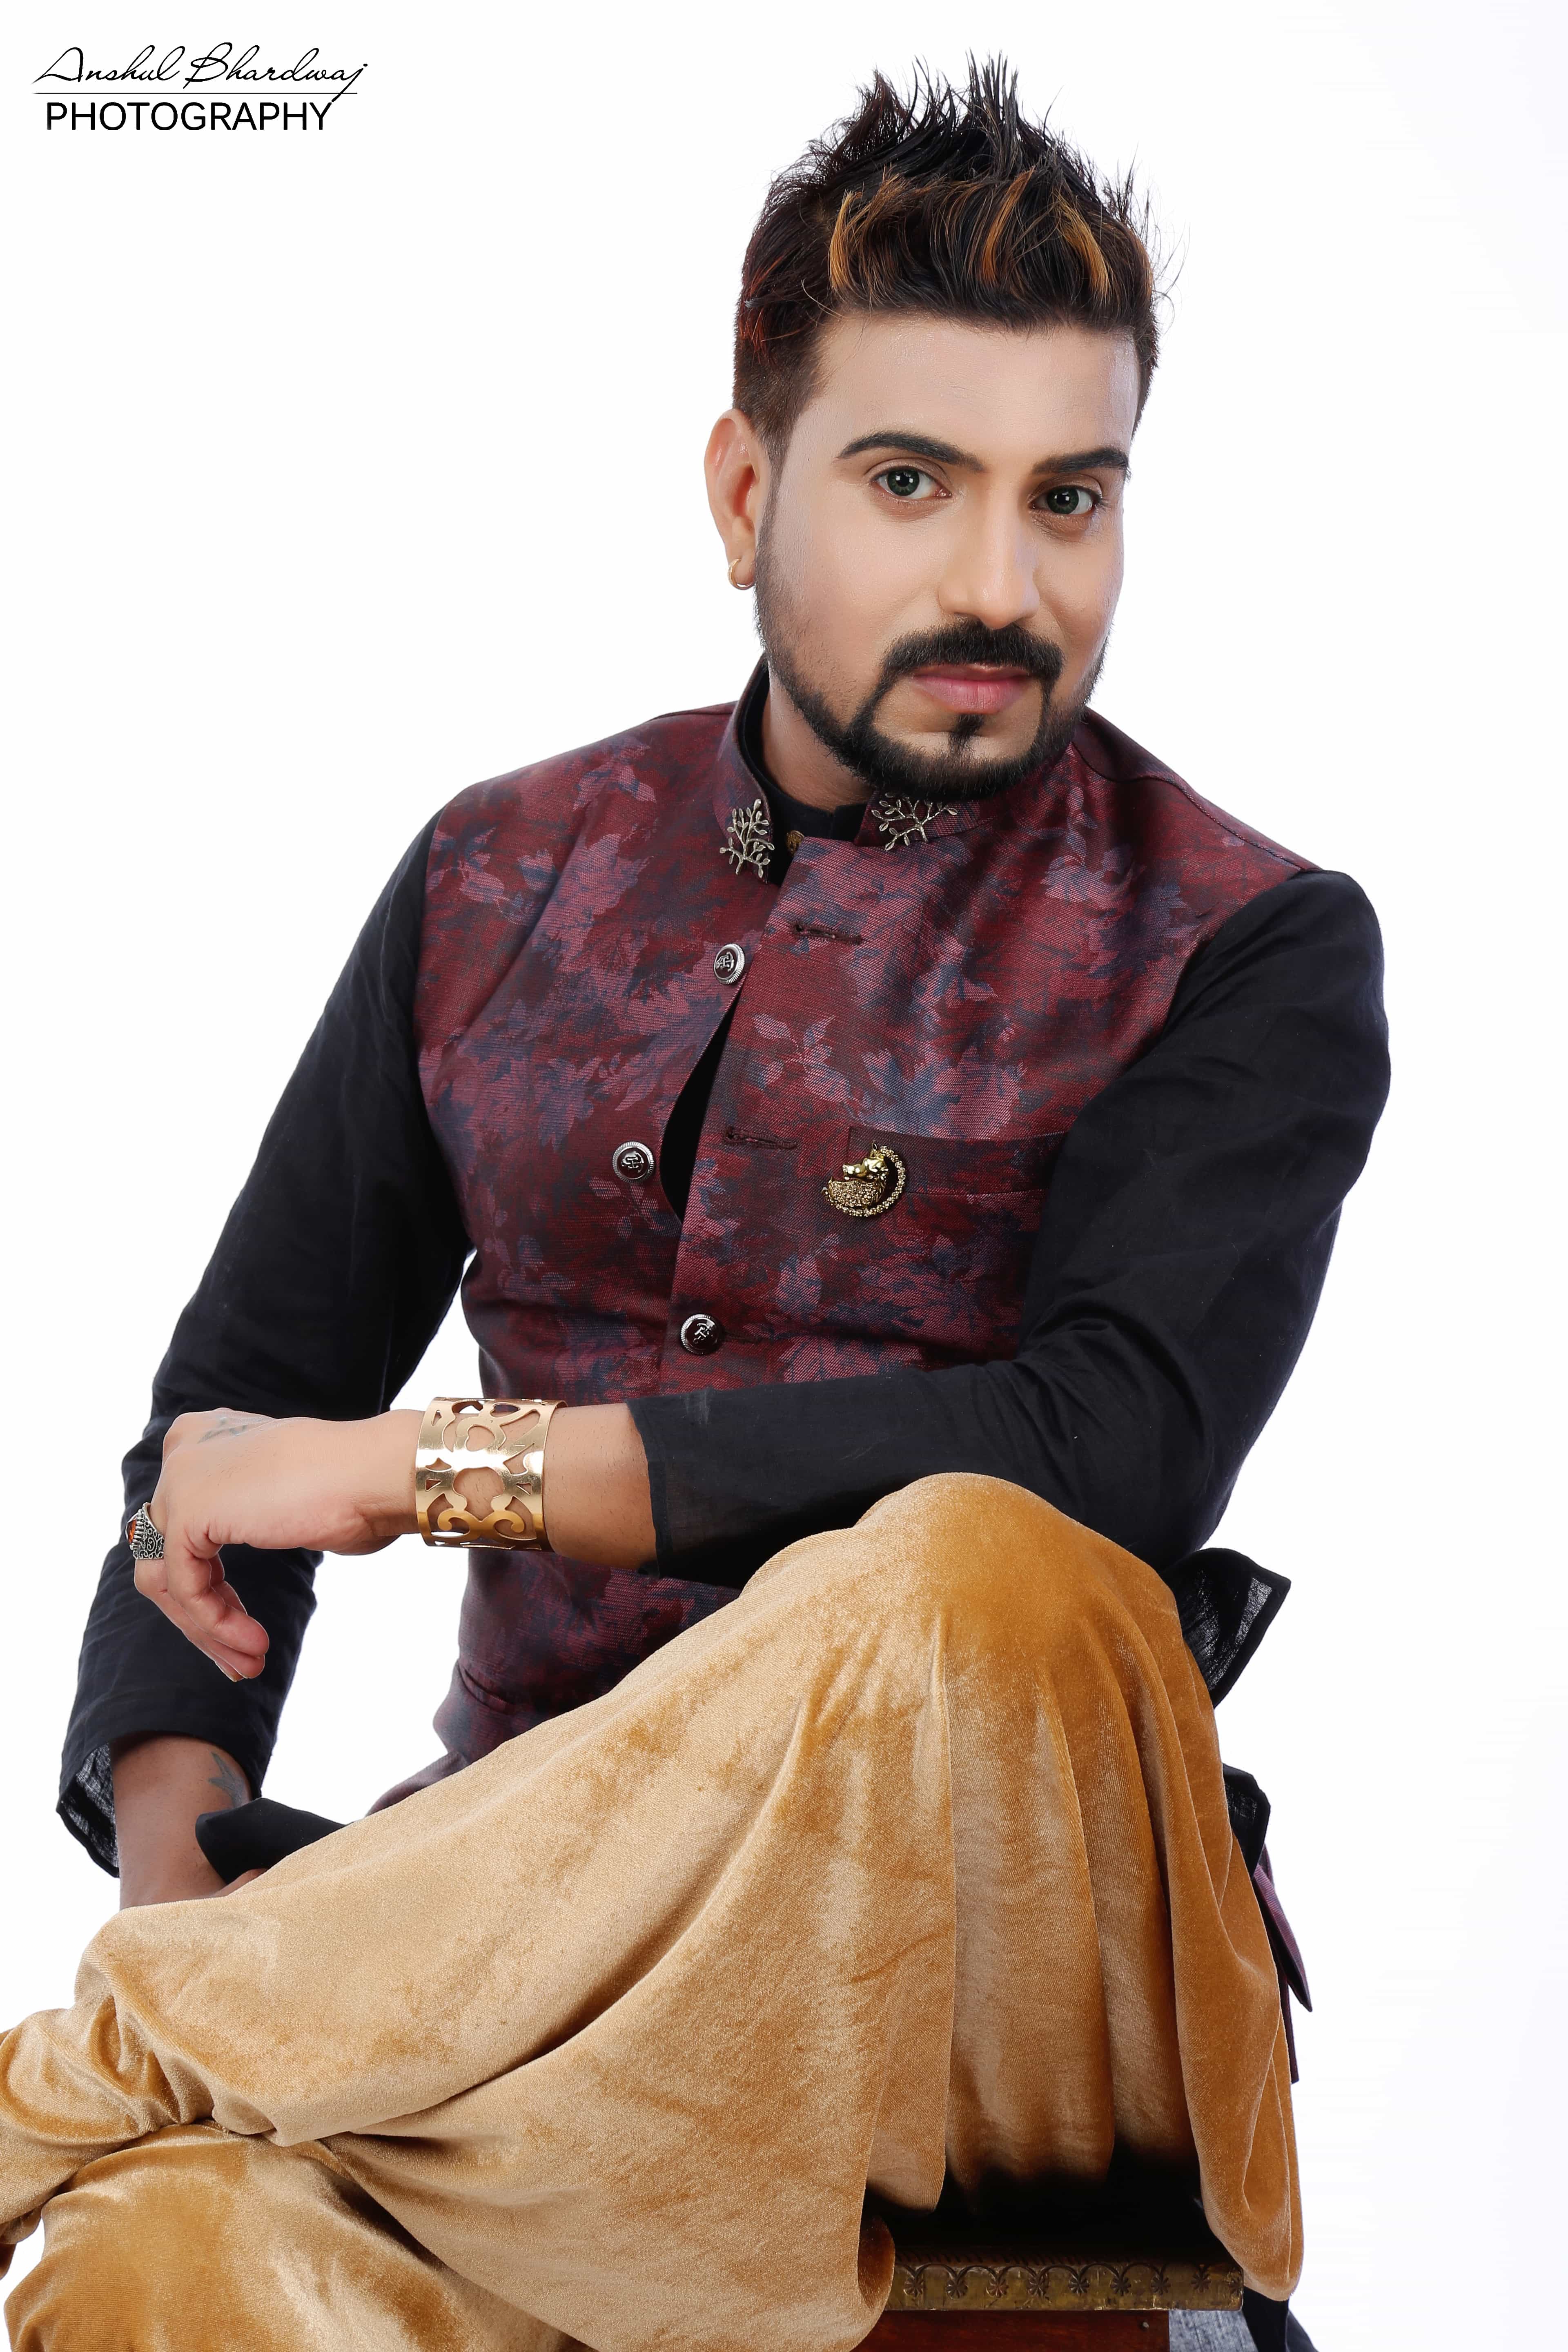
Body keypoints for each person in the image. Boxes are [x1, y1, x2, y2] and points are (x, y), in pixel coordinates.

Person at [2, 61, 1385, 2352]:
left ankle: (120, 2071)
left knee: (976, 1568)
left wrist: (429, 1470)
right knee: (159, 2268)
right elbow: (236, 1414)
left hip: (983, 2006)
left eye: (1071, 498)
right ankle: (197, 2033)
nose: (1000, 583)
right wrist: (176, 1862)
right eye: (912, 482)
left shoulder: (1248, 943)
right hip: (517, 2009)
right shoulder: (499, 874)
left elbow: (1111, 1448)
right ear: (746, 491)